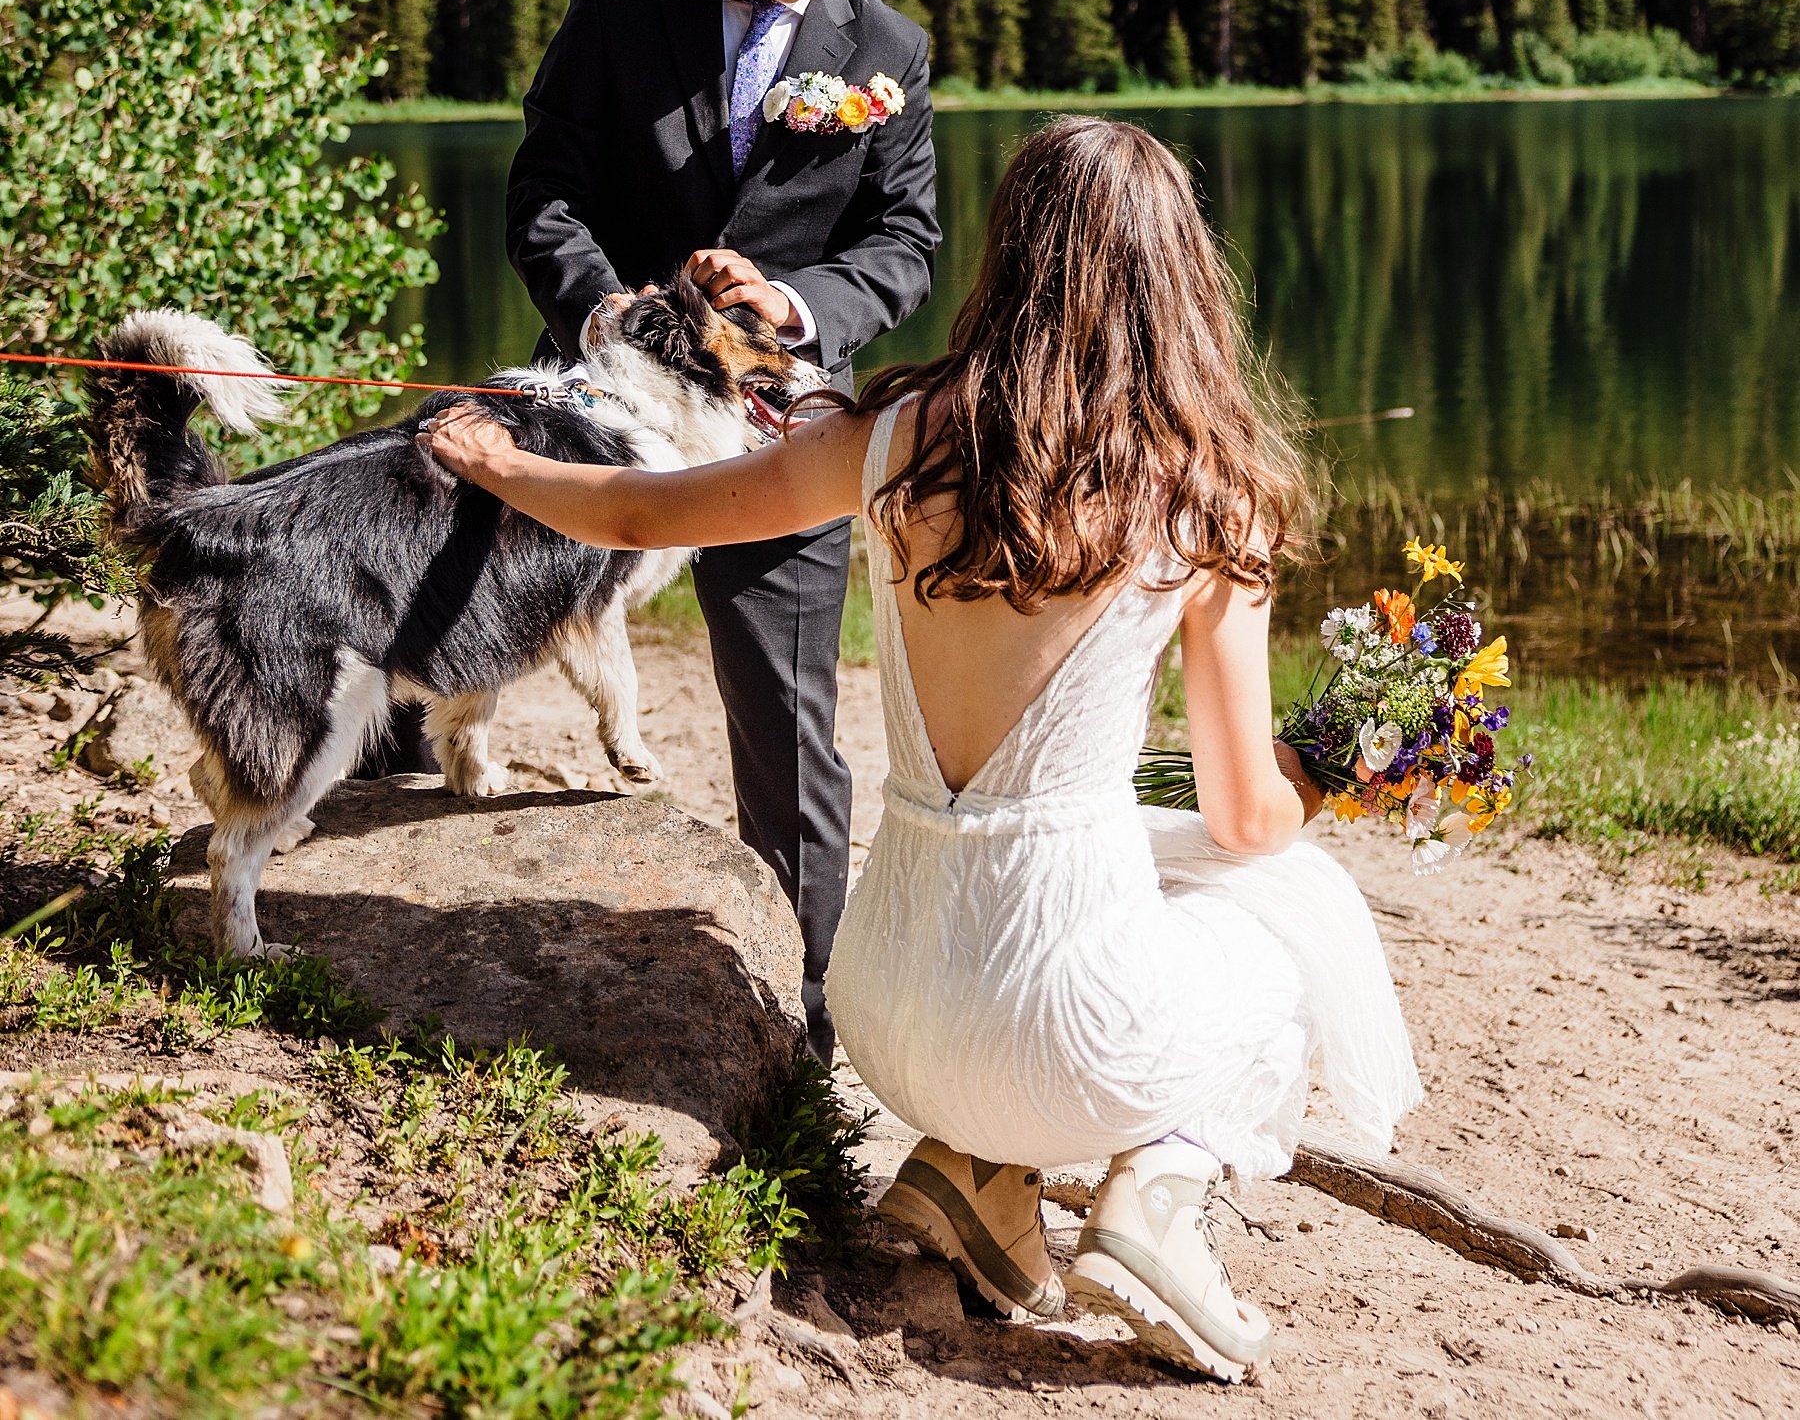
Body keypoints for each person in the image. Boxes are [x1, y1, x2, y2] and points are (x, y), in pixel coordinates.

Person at [424, 117, 1420, 1382]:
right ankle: (1155, 1198)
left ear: (1011, 257)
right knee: (1290, 907)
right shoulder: (1205, 494)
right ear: (1183, 282)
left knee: (1153, 867)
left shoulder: (884, 437)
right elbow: (1248, 818)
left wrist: (495, 456)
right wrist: (1336, 752)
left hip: (887, 1012)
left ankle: (972, 1175)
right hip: (1066, 1030)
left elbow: (631, 508)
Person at [503, 0, 938, 1058]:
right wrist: (603, 308)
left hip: (783, 424)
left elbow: (905, 245)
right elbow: (545, 187)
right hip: (606, 404)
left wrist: (796, 303)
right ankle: (383, 787)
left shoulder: (889, 51)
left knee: (790, 714)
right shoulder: (620, 2)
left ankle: (810, 1019)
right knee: (477, 590)